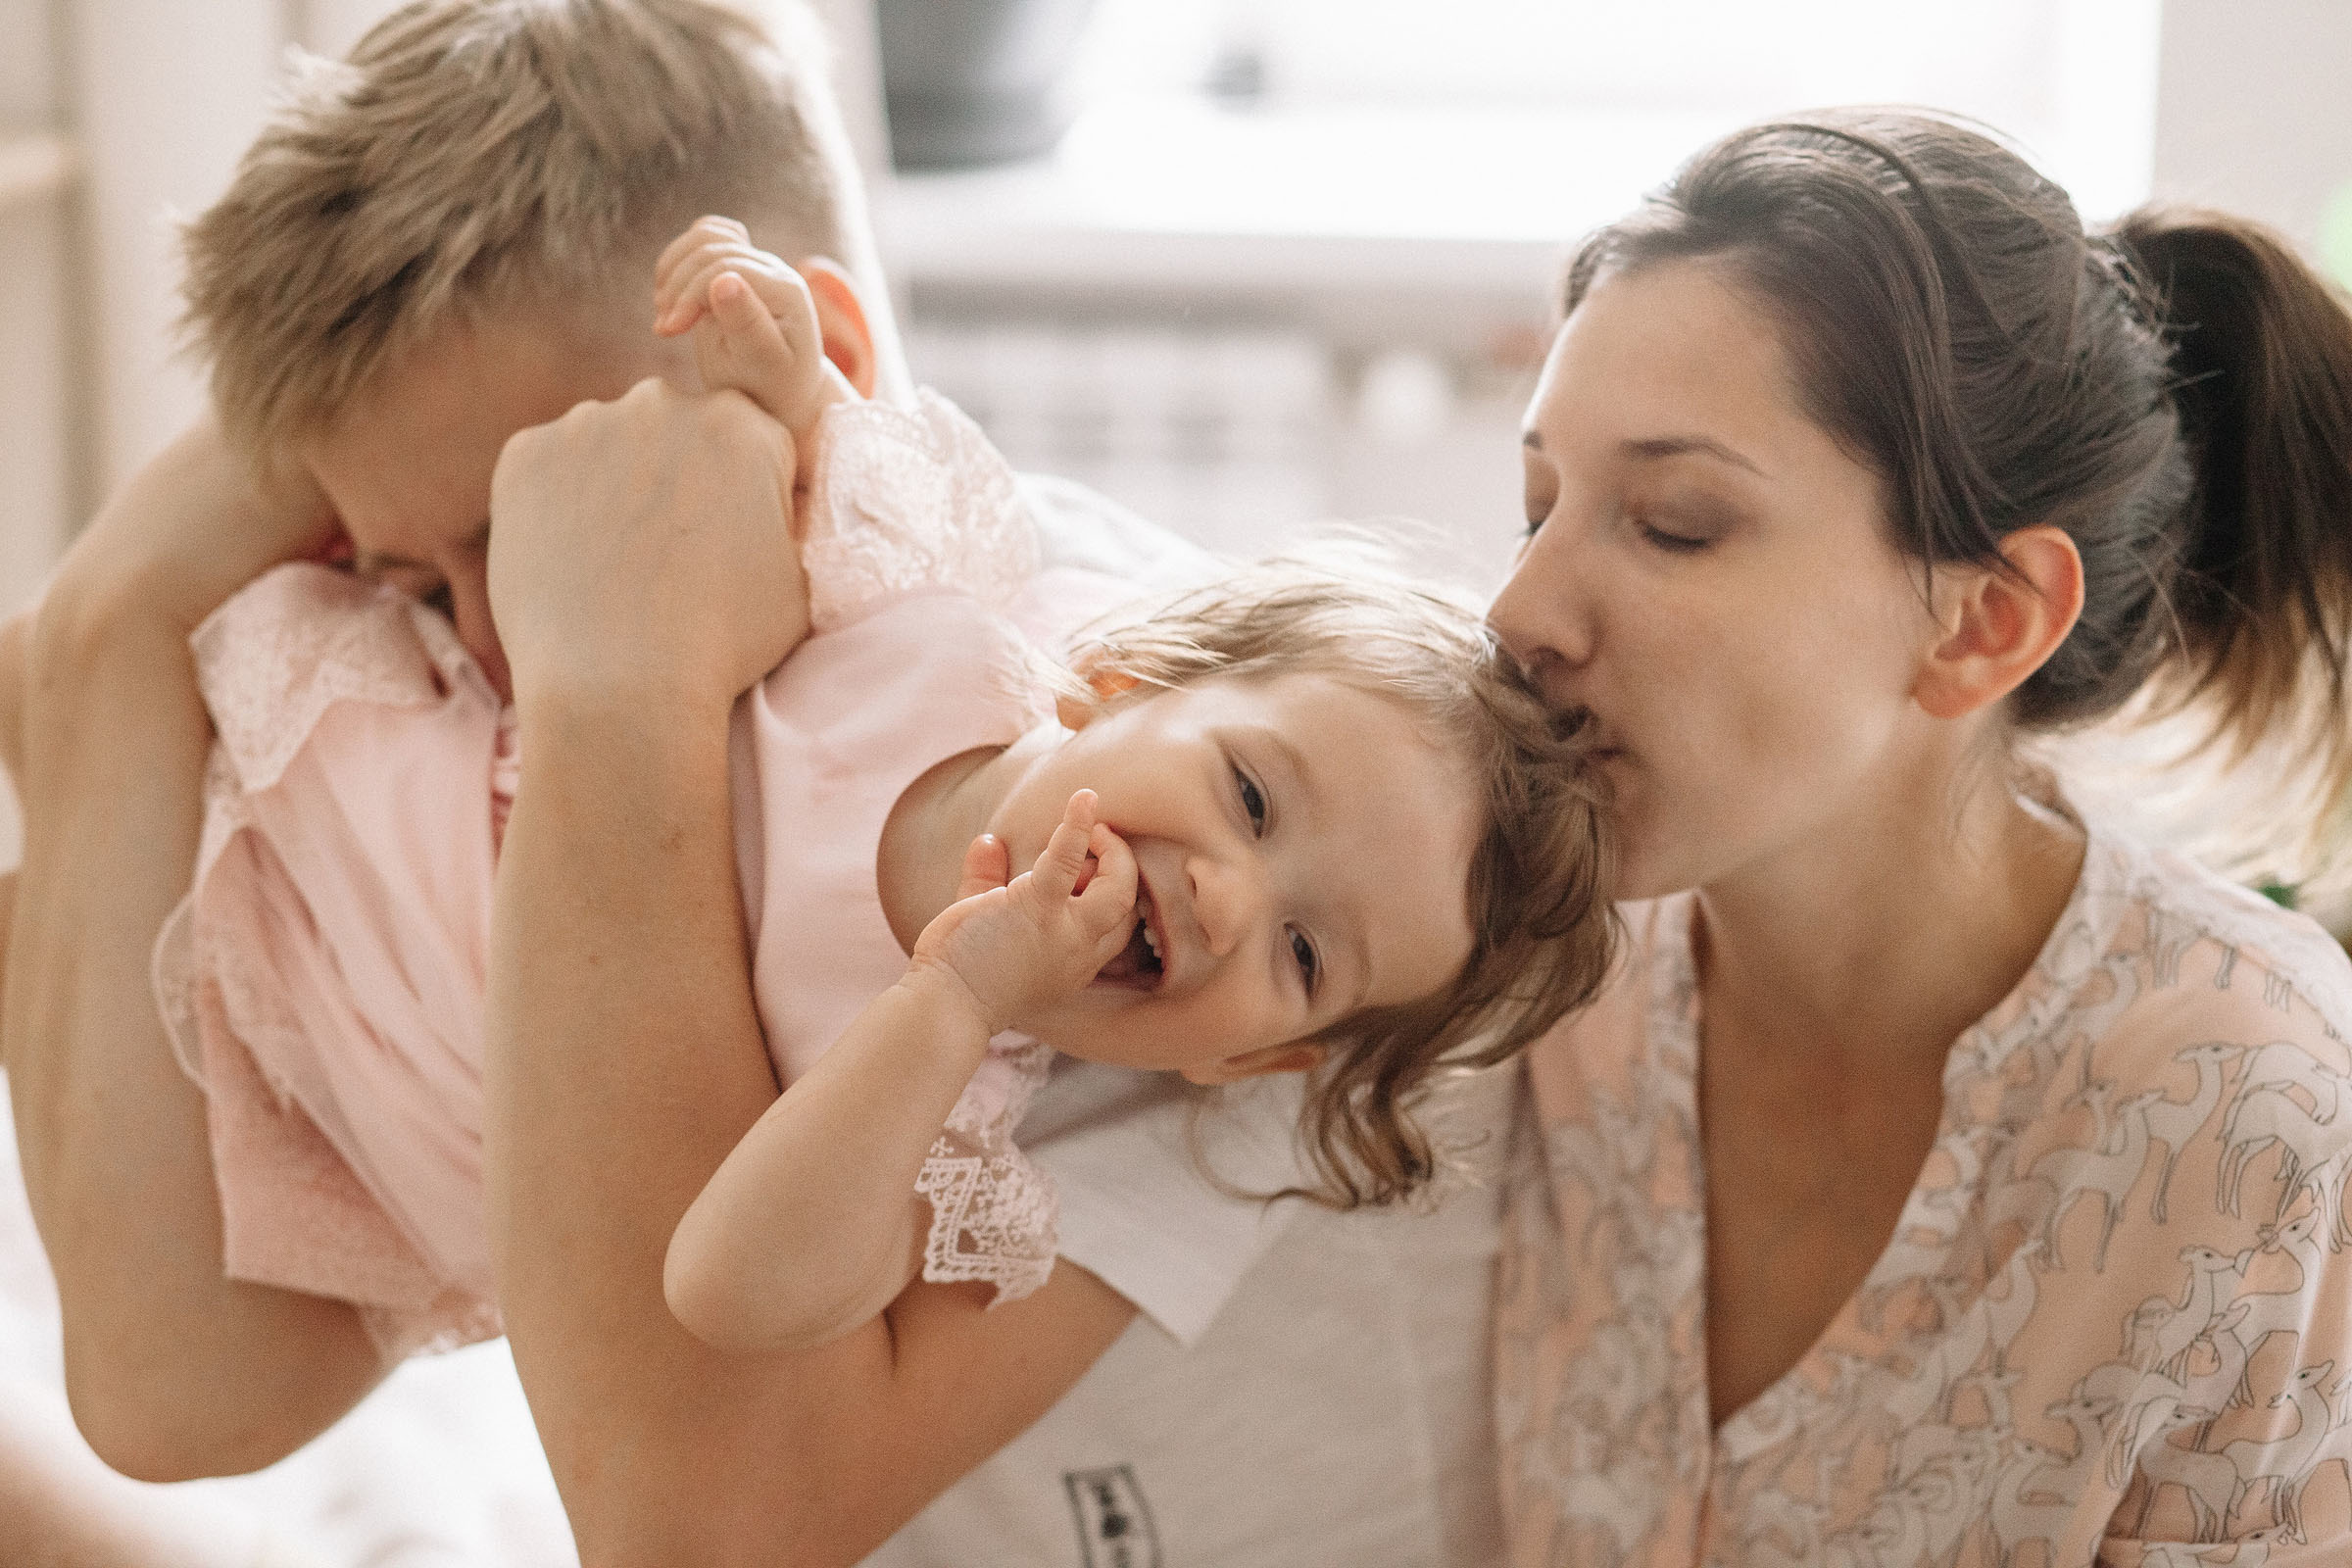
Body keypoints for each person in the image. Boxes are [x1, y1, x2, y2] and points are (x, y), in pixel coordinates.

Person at [1, 2, 1538, 1561]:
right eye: (416, 576)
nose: (479, 642)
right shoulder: (1042, 656)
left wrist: (632, 681)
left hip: (411, 1103)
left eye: (520, 531)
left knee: (174, 1401)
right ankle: (72, 669)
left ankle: (71, 697)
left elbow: (712, 1442)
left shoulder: (1205, 999)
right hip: (329, 891)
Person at [160, 217, 1607, 1360]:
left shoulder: (955, 1109)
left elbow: (728, 1290)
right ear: (1129, 679)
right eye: (1250, 797)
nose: (1230, 897)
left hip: (400, 1063)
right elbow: (791, 464)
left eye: (1303, 953)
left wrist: (954, 1001)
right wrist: (773, 364)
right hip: (378, 781)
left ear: (1249, 1064)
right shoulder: (937, 620)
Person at [1487, 110, 2352, 1563]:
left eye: (1676, 523)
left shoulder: (2250, 1121)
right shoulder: (1557, 972)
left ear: (1986, 621)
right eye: (1534, 508)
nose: (1517, 612)